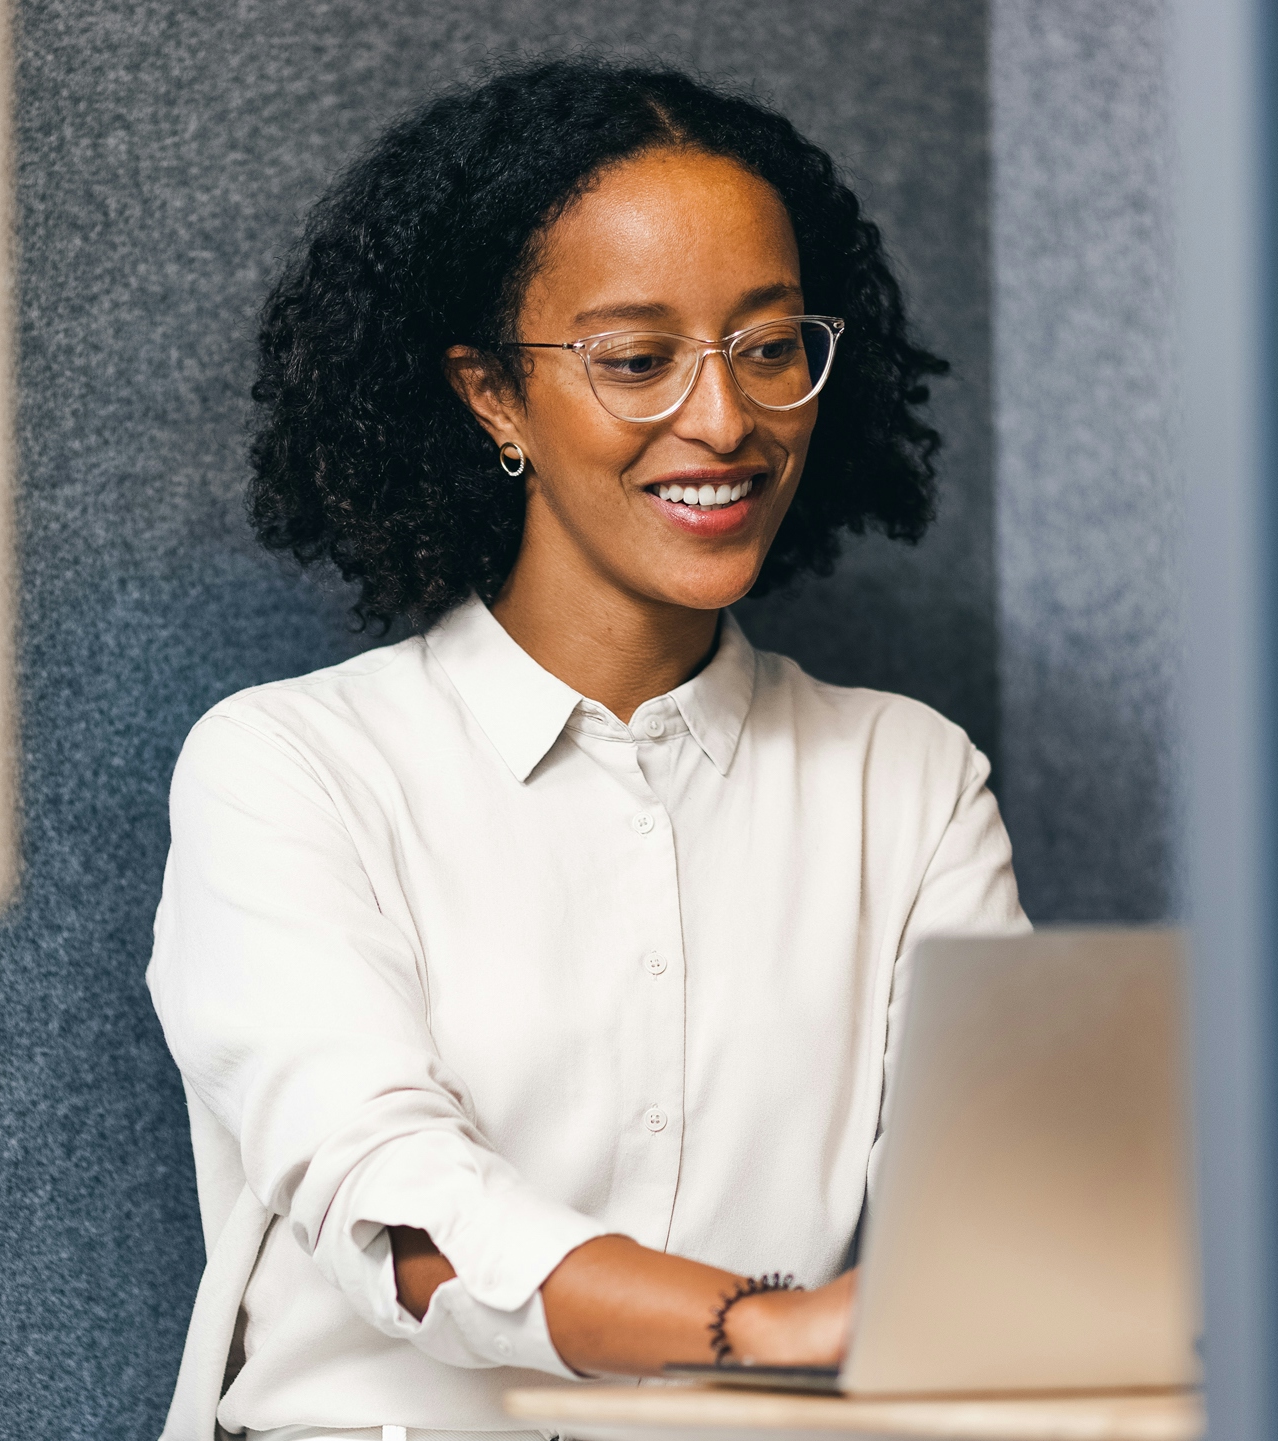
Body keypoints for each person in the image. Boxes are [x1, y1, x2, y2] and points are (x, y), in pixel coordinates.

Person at [147, 58, 1027, 1441]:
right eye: (634, 360)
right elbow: (398, 1205)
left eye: (770, 343)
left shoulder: (906, 782)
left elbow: (992, 1219)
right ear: (492, 394)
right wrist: (762, 1324)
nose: (724, 419)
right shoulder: (288, 765)